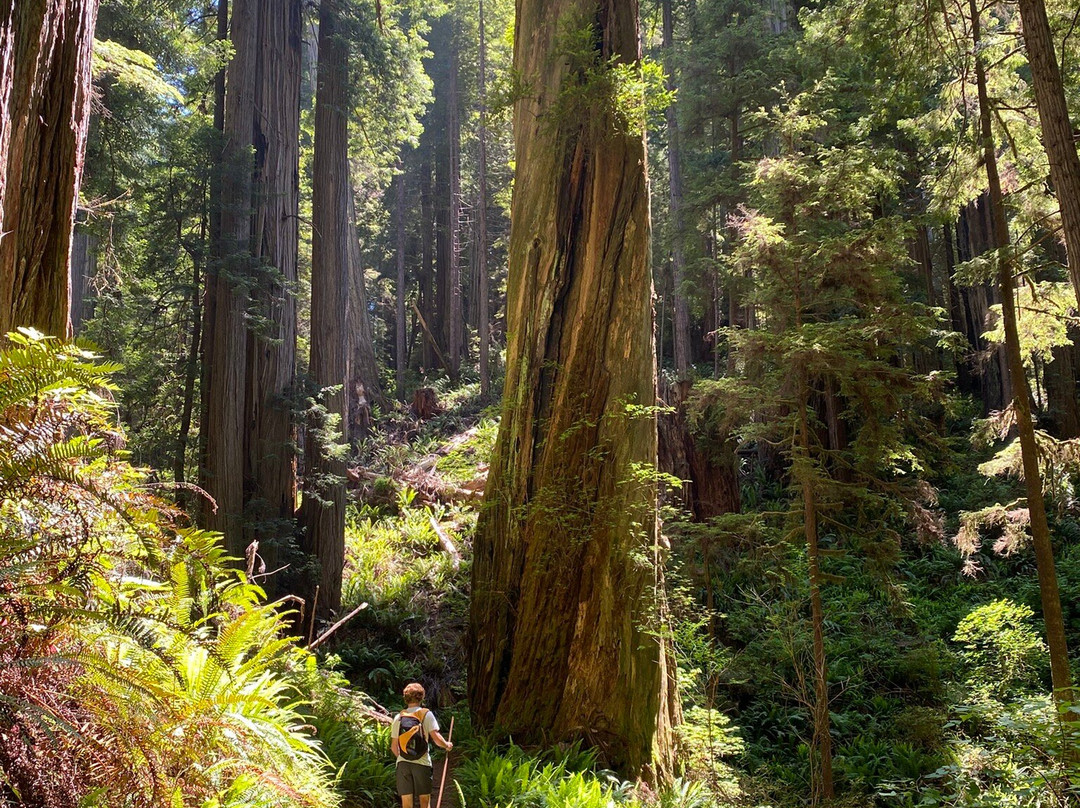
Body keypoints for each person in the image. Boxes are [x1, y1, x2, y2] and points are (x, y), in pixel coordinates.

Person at [390, 682, 453, 808]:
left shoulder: (398, 717)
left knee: (406, 804)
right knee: (424, 802)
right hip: (422, 763)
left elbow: (393, 746)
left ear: (405, 698)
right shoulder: (426, 715)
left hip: (403, 764)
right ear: (421, 697)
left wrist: (403, 757)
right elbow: (436, 739)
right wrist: (447, 745)